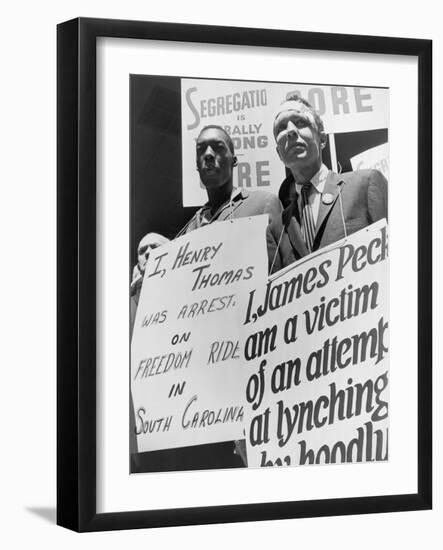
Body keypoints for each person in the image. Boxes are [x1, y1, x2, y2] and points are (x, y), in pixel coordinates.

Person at [267, 94, 388, 273]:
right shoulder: (277, 229)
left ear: (322, 139)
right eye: (281, 128)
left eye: (300, 122)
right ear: (279, 153)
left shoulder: (366, 184)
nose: (291, 131)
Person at [177, 125, 282, 236]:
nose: (208, 154)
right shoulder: (191, 227)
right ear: (197, 165)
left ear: (234, 160)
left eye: (218, 147)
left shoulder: (264, 203)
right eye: (201, 149)